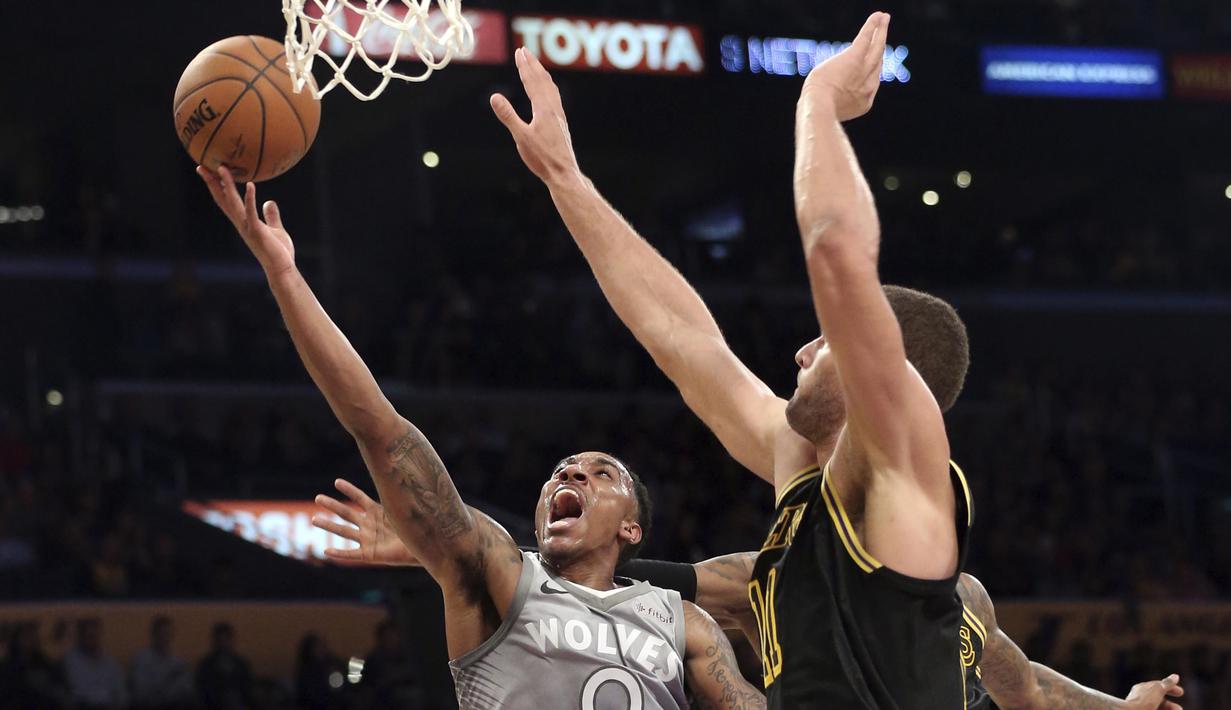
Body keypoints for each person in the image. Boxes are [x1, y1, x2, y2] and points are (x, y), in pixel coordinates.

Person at [488, 35, 1178, 707]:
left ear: (874, 360)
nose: (799, 355)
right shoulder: (806, 472)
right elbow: (681, 338)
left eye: (820, 344)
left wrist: (818, 98)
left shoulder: (899, 468)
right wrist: (564, 179)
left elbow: (837, 252)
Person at [196, 162, 766, 710]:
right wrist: (285, 276)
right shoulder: (500, 571)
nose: (570, 474)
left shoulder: (681, 620)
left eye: (601, 473)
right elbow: (379, 428)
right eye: (563, 469)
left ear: (631, 526)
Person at [312, 479, 1185, 710]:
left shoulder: (962, 601)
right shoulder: (776, 574)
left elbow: (1027, 688)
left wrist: (1122, 703)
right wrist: (437, 550)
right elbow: (599, 579)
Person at [129, 615, 193, 710]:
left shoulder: (178, 663)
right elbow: (141, 694)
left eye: (167, 634)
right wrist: (167, 682)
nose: (164, 638)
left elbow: (187, 690)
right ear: (153, 636)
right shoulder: (141, 660)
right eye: (161, 634)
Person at [62, 618, 126, 710]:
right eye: (90, 636)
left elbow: (121, 693)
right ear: (80, 637)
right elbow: (77, 694)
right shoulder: (69, 662)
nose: (93, 640)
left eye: (96, 636)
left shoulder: (110, 663)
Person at [195, 623, 253, 710]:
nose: (223, 644)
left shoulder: (242, 664)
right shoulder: (205, 666)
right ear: (214, 642)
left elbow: (248, 688)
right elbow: (203, 691)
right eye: (220, 640)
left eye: (226, 640)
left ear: (231, 641)